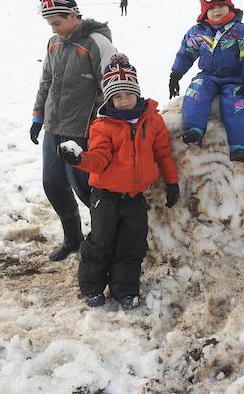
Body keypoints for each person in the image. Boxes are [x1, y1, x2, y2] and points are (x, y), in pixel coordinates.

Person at [58, 53, 179, 309]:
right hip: (106, 195)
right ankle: (92, 286)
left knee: (132, 243)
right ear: (109, 98)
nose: (124, 101)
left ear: (137, 92)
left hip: (135, 196)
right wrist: (80, 159)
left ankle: (124, 289)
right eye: (117, 96)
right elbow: (99, 159)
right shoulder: (103, 126)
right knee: (102, 240)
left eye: (128, 94)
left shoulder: (152, 120)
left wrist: (171, 182)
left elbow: (163, 153)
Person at [31, 0, 116, 261]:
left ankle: (104, 241)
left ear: (72, 15)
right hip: (54, 126)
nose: (53, 28)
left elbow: (113, 88)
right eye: (49, 23)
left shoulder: (97, 43)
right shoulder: (54, 44)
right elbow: (46, 81)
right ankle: (73, 238)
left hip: (83, 130)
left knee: (86, 189)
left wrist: (103, 125)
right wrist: (38, 115)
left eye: (56, 22)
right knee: (52, 184)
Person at [168, 0, 244, 162]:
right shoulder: (198, 32)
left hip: (234, 78)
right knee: (196, 93)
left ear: (229, 6)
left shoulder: (243, 32)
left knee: (236, 105)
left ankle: (238, 146)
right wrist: (176, 74)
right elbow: (186, 54)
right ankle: (194, 129)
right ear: (205, 11)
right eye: (211, 8)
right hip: (208, 76)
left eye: (220, 5)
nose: (216, 10)